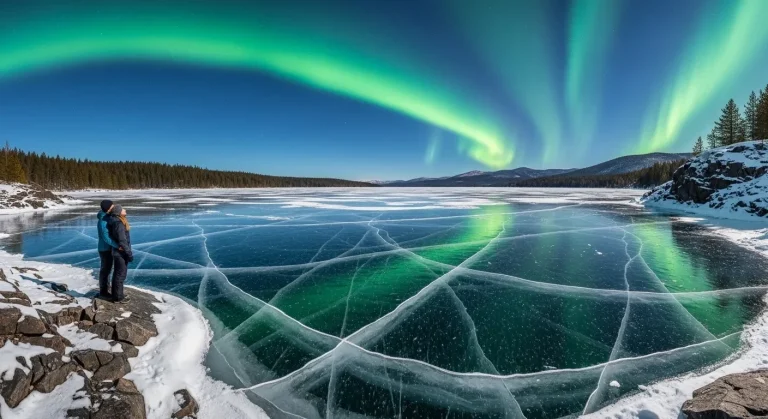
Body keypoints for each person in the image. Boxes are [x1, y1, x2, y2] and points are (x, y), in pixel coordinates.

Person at [106, 204, 133, 303]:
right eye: (122, 209)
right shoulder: (119, 223)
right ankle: (118, 297)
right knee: (120, 275)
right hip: (120, 253)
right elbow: (122, 240)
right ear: (118, 212)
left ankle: (117, 295)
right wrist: (129, 253)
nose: (125, 210)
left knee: (118, 274)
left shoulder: (118, 221)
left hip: (119, 252)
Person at [97, 200, 118, 299]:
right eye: (112, 206)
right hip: (104, 249)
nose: (113, 207)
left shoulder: (107, 217)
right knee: (105, 271)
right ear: (108, 208)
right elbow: (106, 238)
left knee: (107, 270)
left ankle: (106, 289)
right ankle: (103, 292)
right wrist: (117, 245)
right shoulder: (102, 221)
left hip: (108, 248)